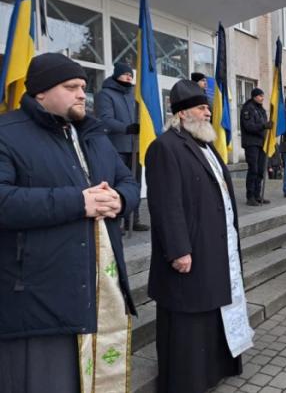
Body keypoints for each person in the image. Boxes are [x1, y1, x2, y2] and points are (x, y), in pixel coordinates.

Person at [0, 53, 140, 393]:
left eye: (82, 86)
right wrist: (79, 202)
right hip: (38, 292)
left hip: (96, 288)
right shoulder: (7, 132)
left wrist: (120, 200)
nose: (82, 94)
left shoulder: (92, 132)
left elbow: (129, 181)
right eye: (71, 87)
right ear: (41, 92)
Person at [145, 80, 254, 392]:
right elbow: (166, 205)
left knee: (212, 308)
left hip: (213, 244)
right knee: (189, 316)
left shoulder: (205, 145)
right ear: (182, 114)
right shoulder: (165, 147)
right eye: (202, 108)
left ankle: (214, 370)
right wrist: (179, 250)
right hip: (189, 248)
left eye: (207, 107)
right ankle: (186, 381)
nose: (209, 113)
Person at [94, 62, 149, 231]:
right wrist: (126, 128)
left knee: (135, 185)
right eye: (125, 74)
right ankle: (115, 221)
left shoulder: (135, 95)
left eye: (131, 75)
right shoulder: (105, 94)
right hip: (116, 147)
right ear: (116, 75)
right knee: (115, 185)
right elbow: (104, 119)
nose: (129, 77)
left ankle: (133, 219)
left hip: (135, 148)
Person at [240, 88, 272, 206]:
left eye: (263, 96)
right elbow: (249, 126)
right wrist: (264, 125)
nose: (262, 98)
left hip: (261, 143)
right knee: (253, 169)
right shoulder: (248, 109)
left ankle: (257, 195)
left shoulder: (261, 110)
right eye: (260, 96)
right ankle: (250, 196)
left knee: (260, 170)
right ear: (254, 96)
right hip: (251, 143)